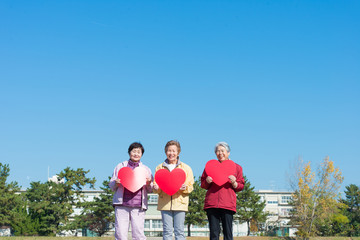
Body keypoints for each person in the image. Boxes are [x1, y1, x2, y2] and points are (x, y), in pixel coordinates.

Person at [201, 142, 245, 240]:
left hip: (227, 204)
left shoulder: (236, 167)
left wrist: (234, 183)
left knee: (228, 234)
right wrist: (207, 181)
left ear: (228, 152)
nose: (220, 153)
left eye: (222, 150)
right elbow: (203, 184)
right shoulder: (210, 166)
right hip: (212, 204)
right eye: (217, 151)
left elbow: (241, 185)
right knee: (214, 233)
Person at [109, 142, 153, 240]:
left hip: (138, 206)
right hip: (122, 205)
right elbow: (111, 186)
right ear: (129, 152)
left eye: (139, 152)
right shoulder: (120, 166)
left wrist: (149, 183)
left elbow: (150, 190)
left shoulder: (146, 169)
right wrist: (116, 183)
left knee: (138, 234)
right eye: (134, 151)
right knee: (120, 233)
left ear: (142, 154)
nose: (136, 154)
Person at [153, 140, 194, 240]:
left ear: (178, 152)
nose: (171, 153)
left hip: (180, 204)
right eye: (169, 151)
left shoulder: (186, 168)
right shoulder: (159, 167)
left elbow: (190, 186)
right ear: (165, 152)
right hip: (165, 204)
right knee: (167, 231)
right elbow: (156, 185)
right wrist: (156, 188)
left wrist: (185, 188)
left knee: (179, 231)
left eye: (174, 151)